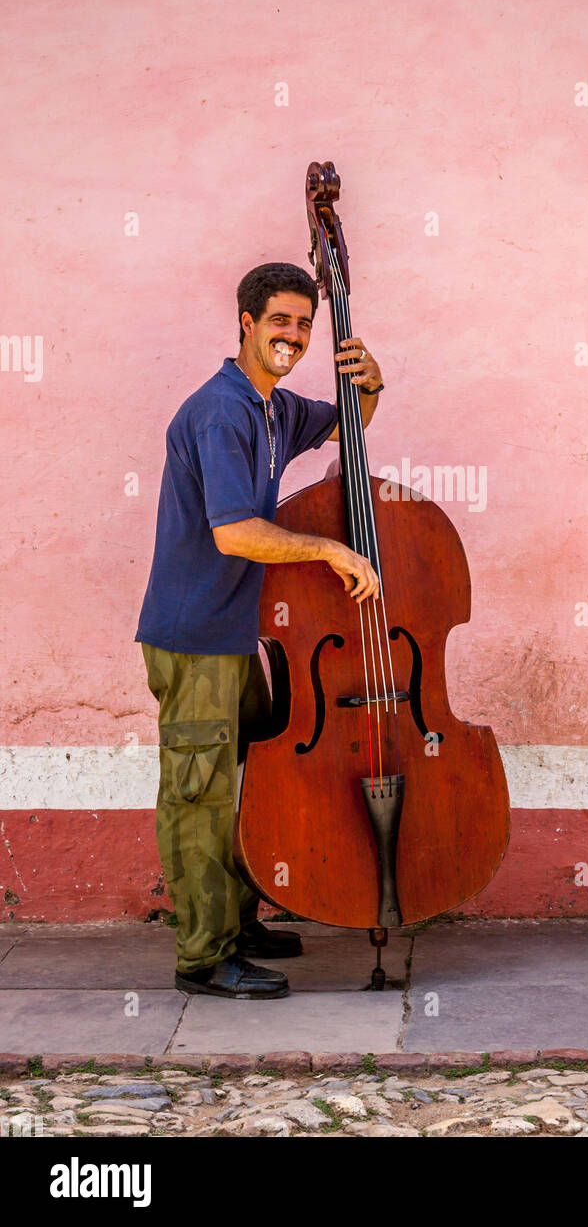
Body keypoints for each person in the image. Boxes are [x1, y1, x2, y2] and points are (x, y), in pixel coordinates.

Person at [136, 261, 383, 998]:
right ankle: (204, 959)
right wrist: (330, 548)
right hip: (193, 636)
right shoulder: (222, 411)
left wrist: (369, 382)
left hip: (232, 634)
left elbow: (348, 424)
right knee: (199, 795)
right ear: (245, 322)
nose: (295, 335)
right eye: (281, 321)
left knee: (250, 779)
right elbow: (236, 533)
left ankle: (238, 922)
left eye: (304, 324)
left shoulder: (271, 407)